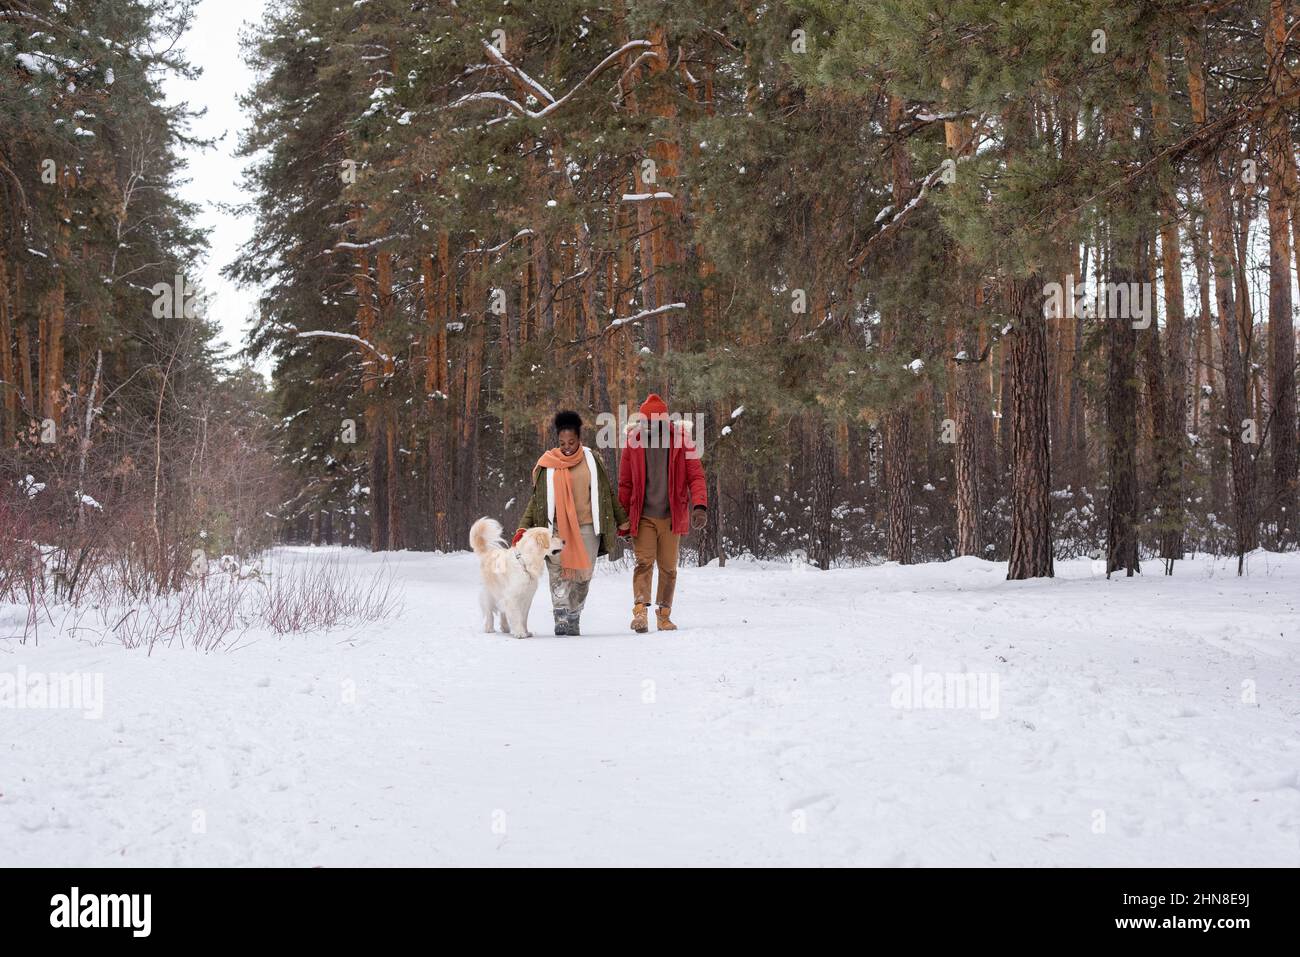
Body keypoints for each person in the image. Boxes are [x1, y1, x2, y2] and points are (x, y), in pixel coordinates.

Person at [516, 410, 629, 636]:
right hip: (555, 528)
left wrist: (622, 521)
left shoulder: (591, 460)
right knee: (557, 571)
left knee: (583, 574)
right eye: (562, 442)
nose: (567, 446)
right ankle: (560, 614)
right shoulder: (549, 463)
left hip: (587, 526)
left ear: (579, 439)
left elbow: (606, 493)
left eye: (571, 442)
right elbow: (536, 500)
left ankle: (575, 613)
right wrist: (522, 526)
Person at [618, 394, 708, 633]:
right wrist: (623, 520)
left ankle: (664, 614)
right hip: (644, 515)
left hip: (671, 515)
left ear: (666, 421)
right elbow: (625, 484)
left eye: (658, 421)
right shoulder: (633, 442)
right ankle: (640, 612)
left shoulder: (681, 440)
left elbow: (696, 475)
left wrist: (699, 506)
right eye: (648, 421)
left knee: (668, 567)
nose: (652, 426)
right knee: (643, 562)